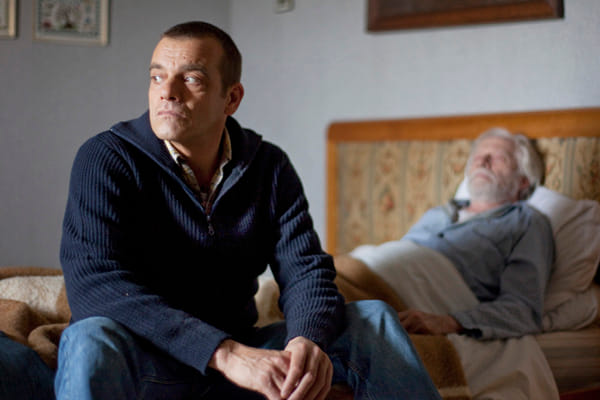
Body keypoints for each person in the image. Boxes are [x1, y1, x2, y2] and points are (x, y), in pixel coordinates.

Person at [55, 21, 441, 400]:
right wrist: (223, 353)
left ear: (232, 98)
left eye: (191, 79)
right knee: (89, 339)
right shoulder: (106, 158)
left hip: (242, 364)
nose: (167, 93)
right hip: (149, 363)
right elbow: (95, 286)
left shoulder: (269, 167)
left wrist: (307, 338)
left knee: (374, 321)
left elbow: (305, 269)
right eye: (157, 77)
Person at [335, 128, 555, 340]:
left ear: (523, 180)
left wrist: (450, 322)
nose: (483, 162)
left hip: (437, 291)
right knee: (326, 282)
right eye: (478, 156)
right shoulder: (438, 213)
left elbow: (523, 309)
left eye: (498, 158)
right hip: (379, 272)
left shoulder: (527, 222)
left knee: (335, 296)